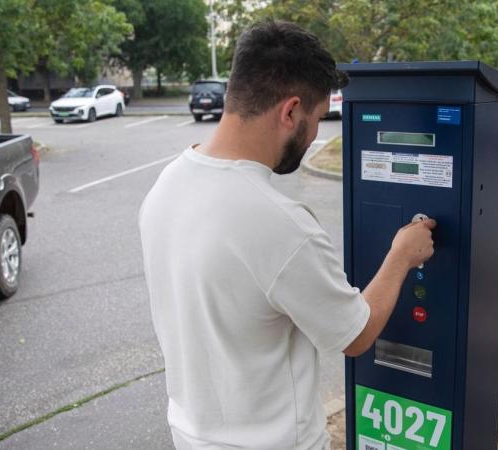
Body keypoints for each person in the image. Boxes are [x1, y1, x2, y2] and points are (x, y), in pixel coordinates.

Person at [138, 20, 436, 450]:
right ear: (291, 111)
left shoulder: (168, 183)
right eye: (315, 119)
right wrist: (402, 255)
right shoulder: (279, 224)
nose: (314, 136)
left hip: (192, 436)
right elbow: (356, 335)